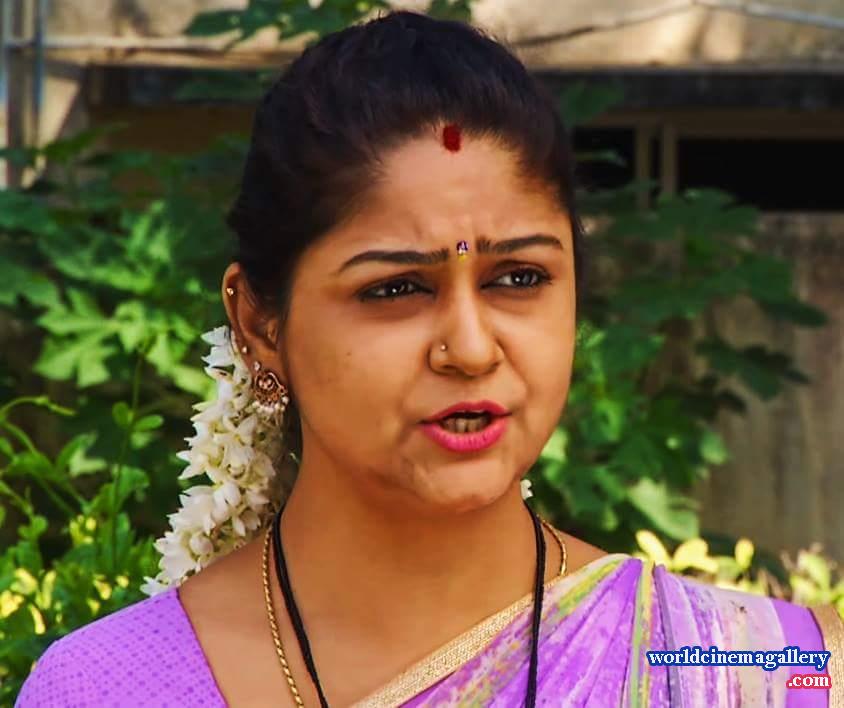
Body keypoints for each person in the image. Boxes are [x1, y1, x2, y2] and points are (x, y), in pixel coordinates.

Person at [16, 10, 842, 708]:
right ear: (260, 324)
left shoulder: (751, 670)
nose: (472, 348)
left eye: (519, 278)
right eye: (396, 288)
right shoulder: (106, 688)